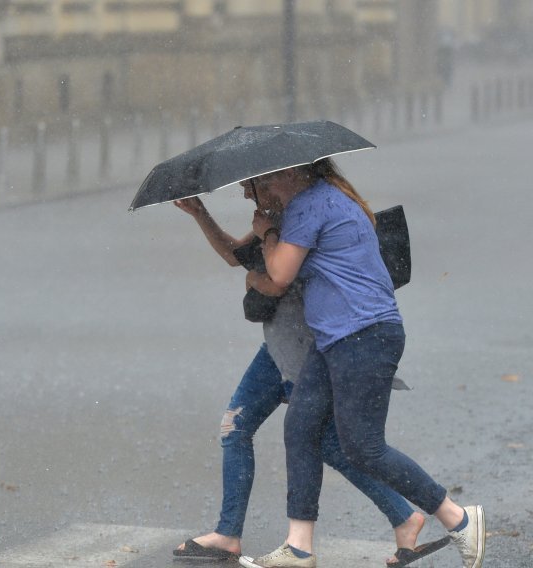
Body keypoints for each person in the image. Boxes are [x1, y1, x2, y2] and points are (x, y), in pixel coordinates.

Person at [170, 185, 446, 567]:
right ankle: (231, 533)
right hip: (281, 345)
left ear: (273, 180)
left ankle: (413, 515)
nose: (248, 195)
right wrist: (201, 214)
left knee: (329, 442)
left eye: (251, 187)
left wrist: (259, 267)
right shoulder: (279, 218)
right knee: (249, 429)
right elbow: (237, 255)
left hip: (305, 348)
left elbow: (275, 279)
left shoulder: (300, 219)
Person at [239, 159, 485, 568]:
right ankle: (299, 547)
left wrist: (266, 232)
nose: (262, 187)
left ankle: (457, 518)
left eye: (265, 178)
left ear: (290, 174)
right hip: (337, 336)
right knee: (301, 428)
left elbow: (279, 275)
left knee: (364, 448)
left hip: (363, 335)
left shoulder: (309, 205)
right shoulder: (330, 198)